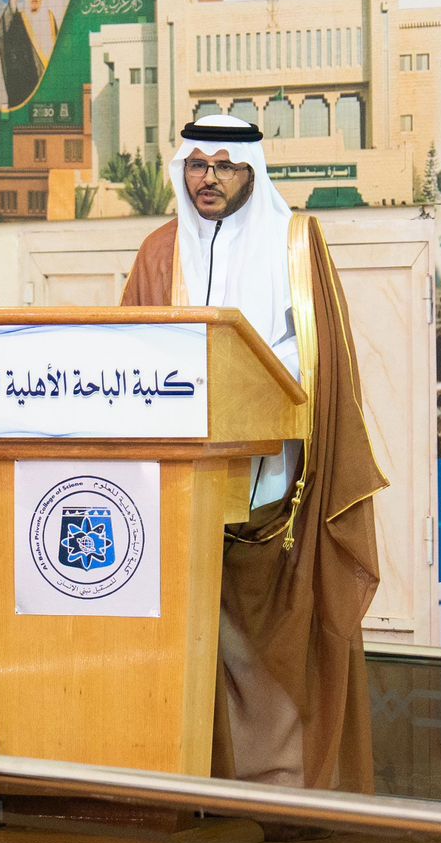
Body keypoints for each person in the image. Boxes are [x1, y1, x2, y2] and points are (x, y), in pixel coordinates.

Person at [120, 114, 387, 792]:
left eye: (224, 166)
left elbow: (317, 361)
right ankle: (191, 794)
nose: (207, 178)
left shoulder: (294, 244)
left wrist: (242, 376)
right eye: (196, 165)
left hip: (275, 502)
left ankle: (281, 802)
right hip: (177, 497)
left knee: (273, 661)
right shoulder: (158, 252)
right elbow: (126, 358)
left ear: (252, 172)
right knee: (189, 654)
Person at [0, 0, 57, 107]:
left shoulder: (50, 19)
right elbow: (1, 31)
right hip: (27, 89)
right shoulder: (18, 20)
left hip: (50, 86)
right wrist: (13, 1)